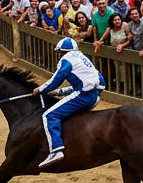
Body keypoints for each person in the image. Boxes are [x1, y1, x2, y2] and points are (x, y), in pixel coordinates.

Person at [33, 37, 106, 168]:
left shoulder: (66, 60)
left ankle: (56, 149)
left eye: (59, 52)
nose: (58, 55)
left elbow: (56, 80)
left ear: (62, 51)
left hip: (84, 96)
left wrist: (40, 89)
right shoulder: (82, 57)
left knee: (49, 115)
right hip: (95, 96)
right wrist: (58, 93)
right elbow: (100, 82)